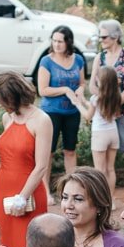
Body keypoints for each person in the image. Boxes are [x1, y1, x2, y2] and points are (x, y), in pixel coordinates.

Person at [0, 71, 52, 247]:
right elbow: (14, 145)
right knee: (3, 244)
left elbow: (41, 165)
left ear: (10, 95)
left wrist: (22, 197)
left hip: (27, 192)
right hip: (2, 190)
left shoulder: (41, 121)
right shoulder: (8, 117)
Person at [36, 26, 88, 179]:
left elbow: (82, 83)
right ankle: (45, 191)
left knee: (70, 151)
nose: (56, 44)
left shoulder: (78, 59)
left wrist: (80, 89)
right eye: (54, 41)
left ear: (68, 42)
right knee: (48, 152)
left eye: (60, 41)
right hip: (51, 112)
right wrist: (65, 89)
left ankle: (72, 185)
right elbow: (42, 90)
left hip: (72, 112)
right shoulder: (46, 61)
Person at [92, 18, 124, 127]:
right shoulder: (99, 58)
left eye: (104, 37)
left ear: (116, 36)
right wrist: (105, 105)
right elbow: (92, 85)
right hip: (103, 113)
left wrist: (115, 104)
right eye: (100, 37)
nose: (100, 40)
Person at [87, 65, 123, 194]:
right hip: (113, 132)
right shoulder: (117, 97)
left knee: (99, 170)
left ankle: (101, 200)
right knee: (110, 169)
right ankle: (111, 200)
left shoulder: (95, 99)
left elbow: (87, 116)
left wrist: (76, 102)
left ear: (100, 81)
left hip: (99, 134)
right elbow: (117, 114)